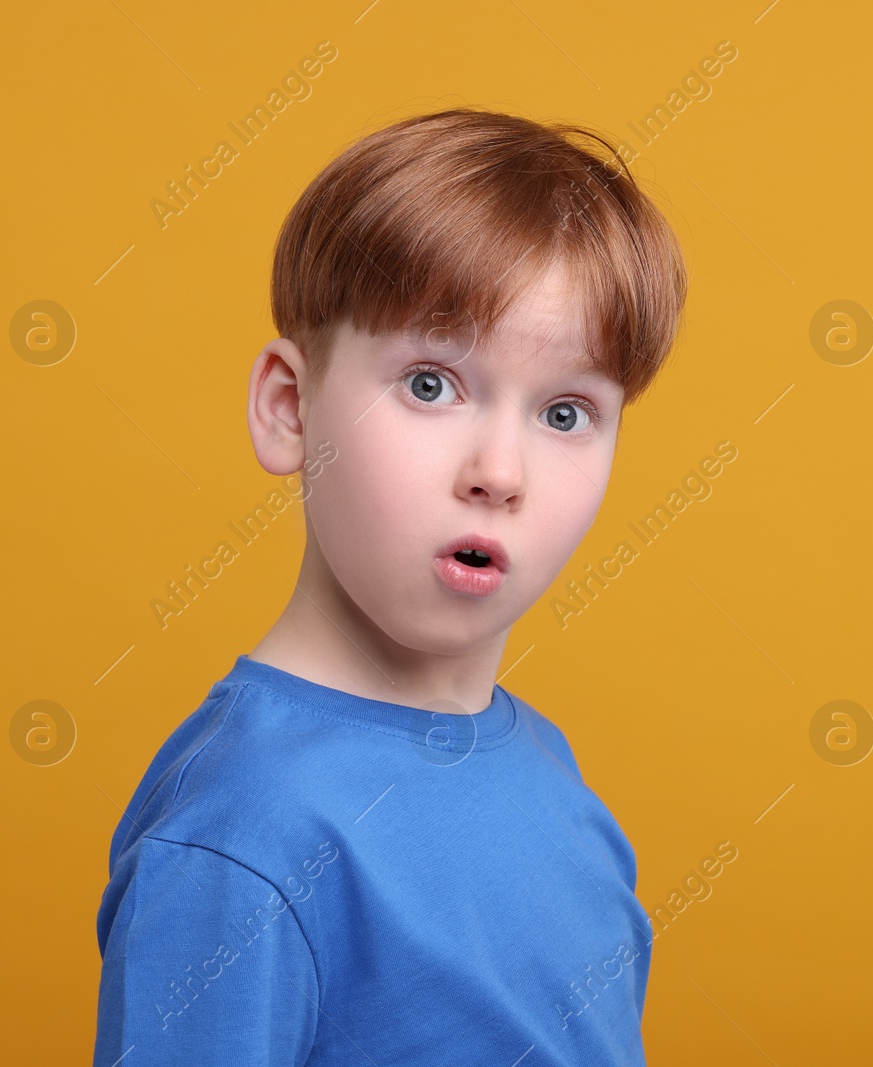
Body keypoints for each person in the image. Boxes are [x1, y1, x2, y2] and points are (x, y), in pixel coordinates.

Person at [92, 106, 688, 1066]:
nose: (501, 469)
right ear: (291, 408)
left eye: (567, 411)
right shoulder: (241, 837)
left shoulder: (553, 779)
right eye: (429, 384)